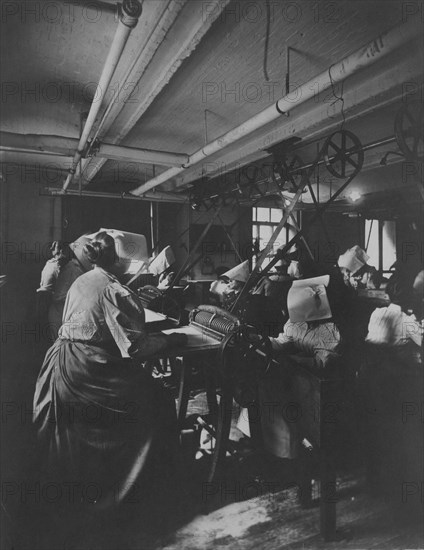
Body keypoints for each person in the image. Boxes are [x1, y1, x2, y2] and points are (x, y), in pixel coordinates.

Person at [33, 231, 187, 516]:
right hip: (88, 368)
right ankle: (150, 489)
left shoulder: (82, 279)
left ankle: (84, 486)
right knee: (156, 400)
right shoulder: (115, 290)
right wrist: (171, 340)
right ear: (123, 262)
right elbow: (136, 349)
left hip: (61, 360)